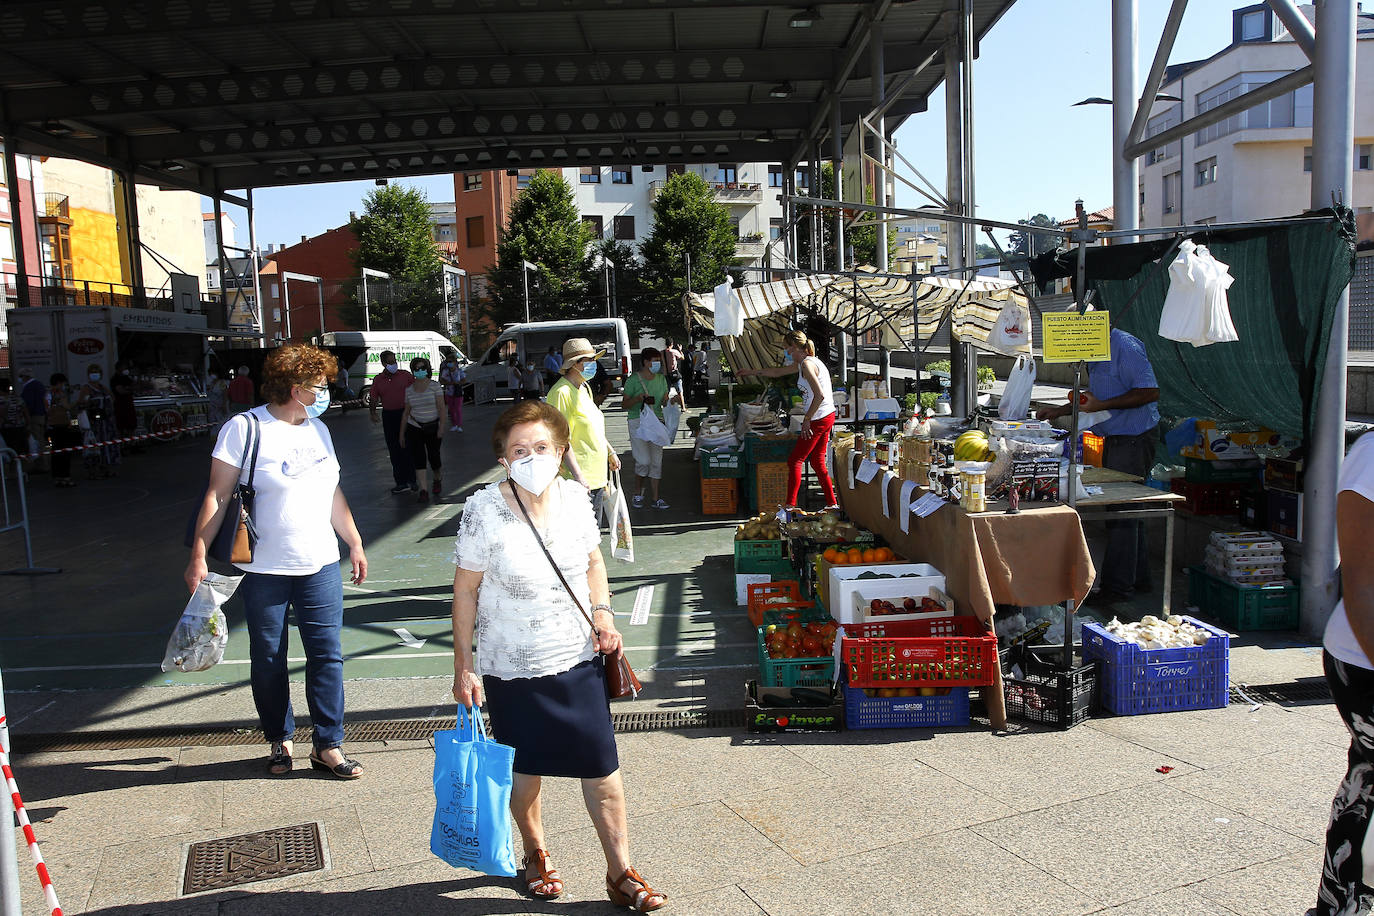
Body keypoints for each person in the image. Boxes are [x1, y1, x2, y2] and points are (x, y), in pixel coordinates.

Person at [450, 400, 665, 912]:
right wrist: (464, 665)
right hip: (512, 668)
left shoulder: (574, 498)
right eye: (518, 449)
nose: (531, 457)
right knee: (526, 775)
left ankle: (621, 873)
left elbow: (593, 562)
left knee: (603, 771)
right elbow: (464, 593)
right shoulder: (483, 509)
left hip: (576, 657)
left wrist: (604, 613)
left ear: (561, 450)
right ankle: (535, 853)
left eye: (541, 447)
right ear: (503, 458)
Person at [185, 343, 368, 780]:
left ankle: (329, 744)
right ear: (294, 387)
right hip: (263, 567)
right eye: (319, 386)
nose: (326, 393)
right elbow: (218, 494)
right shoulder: (245, 428)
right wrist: (197, 554)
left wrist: (355, 542)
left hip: (320, 563)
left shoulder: (319, 430)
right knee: (268, 657)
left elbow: (332, 493)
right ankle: (279, 739)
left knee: (327, 656)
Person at [1036, 327, 1159, 602]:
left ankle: (1118, 589)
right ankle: (1138, 580)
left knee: (1123, 513)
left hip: (1135, 436)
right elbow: (1096, 396)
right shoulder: (1093, 350)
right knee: (1127, 511)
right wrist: (1060, 411)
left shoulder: (1124, 346)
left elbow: (1150, 392)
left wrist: (1103, 403)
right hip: (1116, 436)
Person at [1310, 432, 1374, 915]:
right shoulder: (1372, 455)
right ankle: (1347, 905)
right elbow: (1361, 582)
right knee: (1368, 791)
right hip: (1365, 658)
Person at [737, 330, 838, 509]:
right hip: (826, 415)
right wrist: (750, 372)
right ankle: (832, 504)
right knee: (816, 462)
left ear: (794, 348)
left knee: (795, 460)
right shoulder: (805, 363)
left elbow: (819, 395)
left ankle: (790, 506)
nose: (786, 353)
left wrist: (807, 419)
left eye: (787, 349)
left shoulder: (807, 364)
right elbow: (776, 372)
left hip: (818, 418)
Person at [547, 338, 621, 522]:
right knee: (581, 539)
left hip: (596, 476)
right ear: (574, 364)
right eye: (589, 360)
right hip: (577, 480)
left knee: (592, 537)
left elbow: (593, 427)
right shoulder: (560, 393)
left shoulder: (584, 388)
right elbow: (561, 439)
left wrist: (610, 452)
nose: (594, 364)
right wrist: (579, 476)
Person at [621, 347, 678, 510]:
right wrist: (638, 399)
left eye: (659, 361)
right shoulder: (633, 380)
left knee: (656, 462)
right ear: (645, 362)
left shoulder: (661, 379)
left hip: (657, 422)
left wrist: (673, 402)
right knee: (643, 461)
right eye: (655, 360)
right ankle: (637, 492)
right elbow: (624, 405)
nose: (658, 364)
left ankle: (655, 498)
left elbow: (664, 401)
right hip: (638, 421)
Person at [367, 350, 418, 494]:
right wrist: (372, 412)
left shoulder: (405, 375)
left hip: (406, 413)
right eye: (390, 362)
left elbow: (417, 390)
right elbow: (374, 397)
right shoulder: (378, 379)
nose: (393, 364)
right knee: (394, 448)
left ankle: (412, 480)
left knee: (408, 446)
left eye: (394, 361)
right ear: (383, 363)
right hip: (389, 416)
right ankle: (400, 482)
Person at [399, 356, 445, 502]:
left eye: (422, 368)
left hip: (433, 426)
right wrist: (401, 434)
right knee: (419, 459)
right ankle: (423, 489)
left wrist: (441, 427)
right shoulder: (409, 390)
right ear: (413, 371)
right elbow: (406, 413)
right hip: (415, 427)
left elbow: (442, 409)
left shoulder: (434, 386)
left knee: (434, 457)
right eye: (417, 369)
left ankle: (437, 479)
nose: (420, 371)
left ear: (427, 370)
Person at [74, 362, 120, 479]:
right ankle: (92, 471)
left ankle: (106, 468)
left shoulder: (103, 388)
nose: (95, 374)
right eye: (92, 372)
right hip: (94, 424)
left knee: (107, 446)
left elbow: (112, 399)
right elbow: (80, 405)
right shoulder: (86, 389)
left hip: (107, 423)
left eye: (97, 372)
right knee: (93, 448)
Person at [46, 374, 81, 488]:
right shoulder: (59, 394)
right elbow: (68, 407)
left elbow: (47, 409)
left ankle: (57, 477)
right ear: (59, 383)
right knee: (65, 452)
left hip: (52, 426)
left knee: (56, 452)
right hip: (62, 425)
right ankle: (66, 477)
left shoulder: (47, 394)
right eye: (63, 383)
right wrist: (78, 401)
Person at [17, 368, 48, 474]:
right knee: (40, 440)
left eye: (21, 376)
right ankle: (42, 464)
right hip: (41, 415)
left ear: (25, 376)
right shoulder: (39, 385)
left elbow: (28, 404)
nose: (20, 379)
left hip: (34, 416)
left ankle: (40, 465)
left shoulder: (29, 387)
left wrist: (26, 418)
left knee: (36, 441)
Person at [0, 378, 28, 464]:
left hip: (7, 429)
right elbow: (26, 412)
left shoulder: (1, 400)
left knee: (8, 451)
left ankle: (12, 472)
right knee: (19, 451)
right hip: (20, 427)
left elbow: (2, 414)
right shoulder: (17, 398)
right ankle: (21, 471)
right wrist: (27, 424)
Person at [111, 361, 138, 449]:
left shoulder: (127, 378)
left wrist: (128, 388)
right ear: (119, 368)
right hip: (120, 405)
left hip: (129, 404)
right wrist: (129, 389)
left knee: (132, 425)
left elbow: (135, 386)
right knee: (121, 427)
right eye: (124, 368)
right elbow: (120, 391)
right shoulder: (115, 379)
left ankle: (132, 445)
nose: (126, 370)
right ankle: (122, 446)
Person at [439, 356, 465, 432]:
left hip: (458, 393)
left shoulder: (459, 371)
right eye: (447, 362)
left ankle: (459, 425)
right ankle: (454, 424)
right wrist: (449, 383)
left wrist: (458, 383)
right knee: (451, 410)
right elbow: (442, 381)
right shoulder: (445, 372)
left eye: (450, 362)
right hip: (449, 393)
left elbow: (464, 380)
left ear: (455, 362)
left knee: (458, 409)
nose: (449, 363)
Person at [662, 339, 685, 406]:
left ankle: (664, 407)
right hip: (675, 374)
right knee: (680, 392)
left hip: (666, 374)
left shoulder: (661, 353)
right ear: (672, 344)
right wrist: (680, 350)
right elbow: (682, 358)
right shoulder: (674, 351)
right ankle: (683, 407)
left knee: (666, 393)